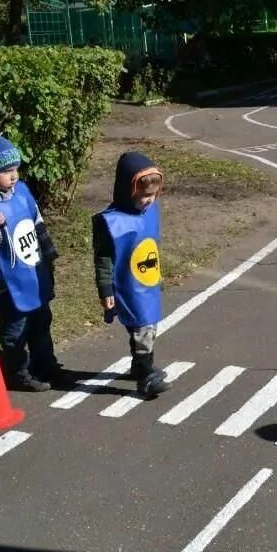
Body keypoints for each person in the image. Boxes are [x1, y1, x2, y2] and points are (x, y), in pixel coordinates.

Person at [0, 135, 60, 392]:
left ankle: (46, 364)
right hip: (6, 282)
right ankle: (19, 372)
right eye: (6, 171)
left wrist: (49, 255)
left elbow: (37, 224)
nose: (14, 175)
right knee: (15, 329)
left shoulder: (22, 191)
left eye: (15, 169)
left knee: (41, 321)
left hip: (34, 272)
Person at [92, 151, 173, 398]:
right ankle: (146, 375)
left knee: (148, 327)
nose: (148, 201)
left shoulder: (148, 212)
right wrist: (106, 290)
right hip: (127, 288)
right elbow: (103, 260)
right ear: (127, 191)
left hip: (146, 283)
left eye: (152, 196)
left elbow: (150, 245)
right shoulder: (112, 222)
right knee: (142, 329)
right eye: (143, 196)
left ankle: (140, 366)